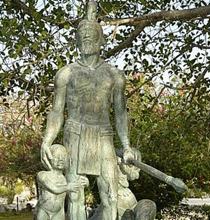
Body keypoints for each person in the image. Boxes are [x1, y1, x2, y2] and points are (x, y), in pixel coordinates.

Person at [40, 1, 134, 220]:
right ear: (76, 41)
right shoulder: (66, 74)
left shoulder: (114, 75)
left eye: (91, 34)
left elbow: (120, 113)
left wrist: (127, 146)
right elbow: (56, 112)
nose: (86, 38)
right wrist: (47, 140)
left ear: (101, 39)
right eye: (82, 35)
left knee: (110, 194)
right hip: (75, 133)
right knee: (75, 195)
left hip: (103, 135)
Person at [36, 144, 89, 220]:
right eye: (56, 156)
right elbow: (54, 188)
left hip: (59, 212)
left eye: (63, 156)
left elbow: (73, 191)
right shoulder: (43, 175)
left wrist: (85, 183)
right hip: (44, 211)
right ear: (49, 158)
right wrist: (68, 187)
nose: (60, 159)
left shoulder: (65, 178)